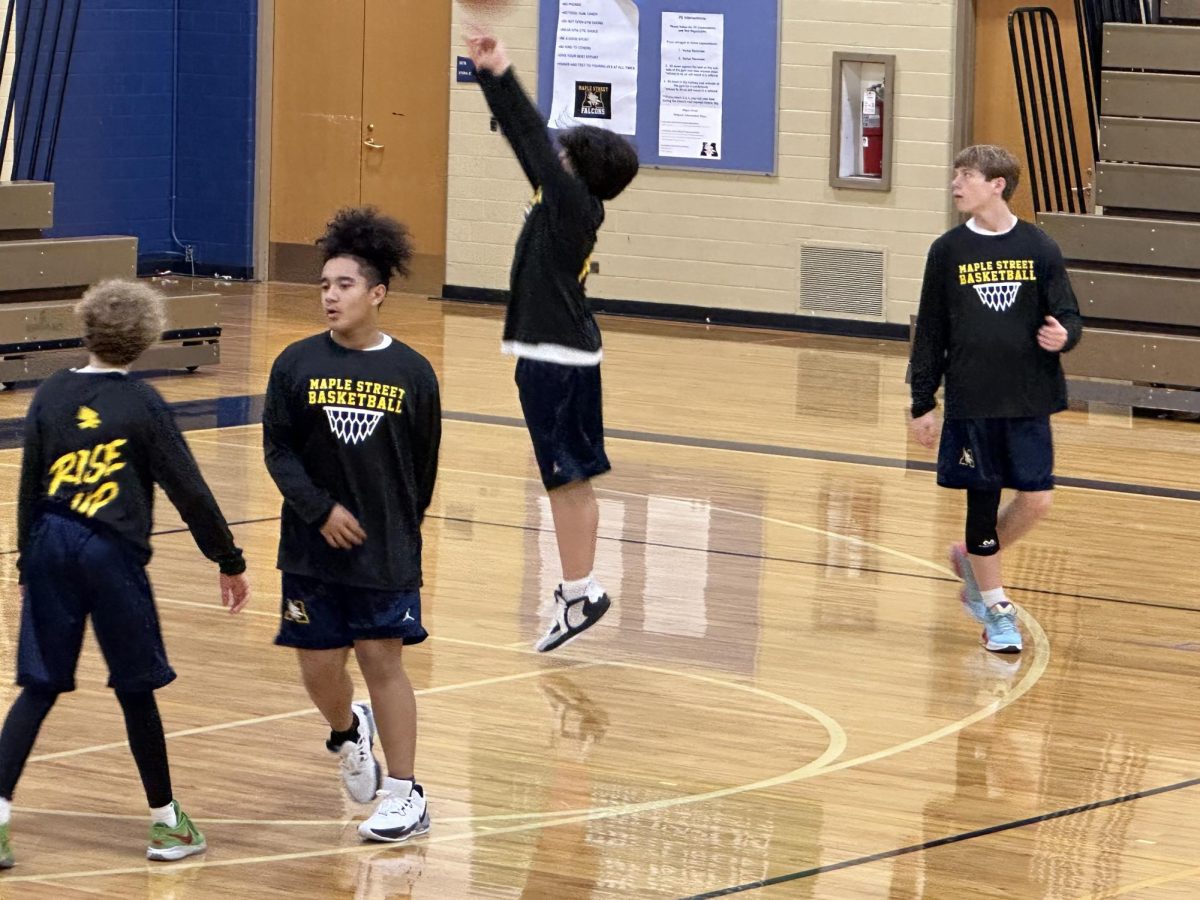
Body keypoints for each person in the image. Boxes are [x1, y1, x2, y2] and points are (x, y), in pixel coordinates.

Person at [0, 279, 251, 866]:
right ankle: (167, 824)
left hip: (50, 544)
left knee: (39, 686)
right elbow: (189, 489)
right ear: (147, 337)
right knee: (136, 689)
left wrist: (21, 560)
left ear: (85, 325)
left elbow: (29, 482)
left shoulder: (51, 393)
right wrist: (228, 560)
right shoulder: (143, 404)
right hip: (110, 554)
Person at [263, 207, 441, 843]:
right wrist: (321, 510)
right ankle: (347, 732)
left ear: (377, 294)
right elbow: (278, 452)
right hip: (310, 551)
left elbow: (422, 465)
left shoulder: (413, 373)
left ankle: (405, 792)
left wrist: (395, 531)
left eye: (343, 285)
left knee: (380, 658)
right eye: (324, 285)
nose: (330, 296)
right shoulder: (294, 365)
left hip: (384, 552)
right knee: (318, 668)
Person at [465, 28, 640, 652]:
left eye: (564, 153)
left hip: (555, 357)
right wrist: (491, 79)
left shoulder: (571, 201)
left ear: (577, 167)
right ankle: (577, 591)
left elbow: (530, 141)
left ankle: (579, 592)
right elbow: (528, 147)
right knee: (574, 478)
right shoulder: (566, 201)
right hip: (564, 353)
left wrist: (501, 71)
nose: (554, 154)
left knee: (566, 479)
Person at [909, 144, 1082, 653]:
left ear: (997, 184)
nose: (956, 184)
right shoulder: (947, 251)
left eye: (967, 176)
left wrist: (1064, 336)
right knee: (981, 508)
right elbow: (931, 331)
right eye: (956, 176)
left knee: (1038, 500)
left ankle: (972, 560)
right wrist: (923, 402)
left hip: (1028, 397)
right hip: (971, 401)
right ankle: (996, 610)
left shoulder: (1038, 246)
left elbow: (1067, 313)